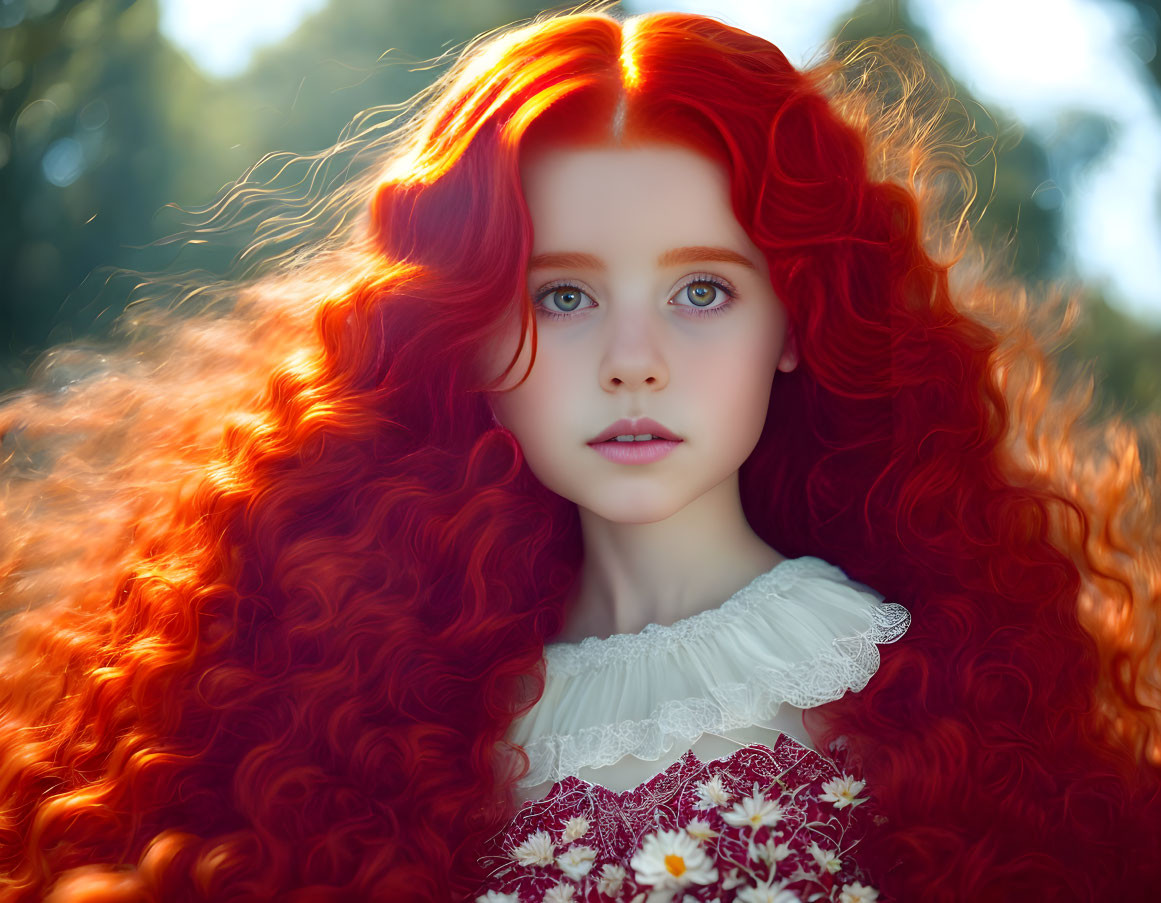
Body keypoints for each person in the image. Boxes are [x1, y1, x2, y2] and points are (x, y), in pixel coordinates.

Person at [0, 5, 1157, 902]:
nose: (632, 360)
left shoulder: (956, 707)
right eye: (560, 295)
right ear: (470, 336)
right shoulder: (350, 721)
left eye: (703, 289)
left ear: (797, 321)